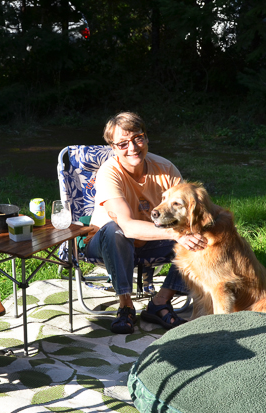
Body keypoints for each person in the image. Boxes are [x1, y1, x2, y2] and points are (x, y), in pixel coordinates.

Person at [83, 111, 207, 334]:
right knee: (115, 231)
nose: (132, 147)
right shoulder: (109, 173)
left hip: (153, 240)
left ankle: (160, 302)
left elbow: (189, 214)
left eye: (138, 138)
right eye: (122, 143)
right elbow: (128, 226)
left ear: (146, 138)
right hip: (107, 244)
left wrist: (187, 232)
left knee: (200, 237)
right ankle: (126, 306)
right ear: (113, 148)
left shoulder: (165, 168)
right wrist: (176, 234)